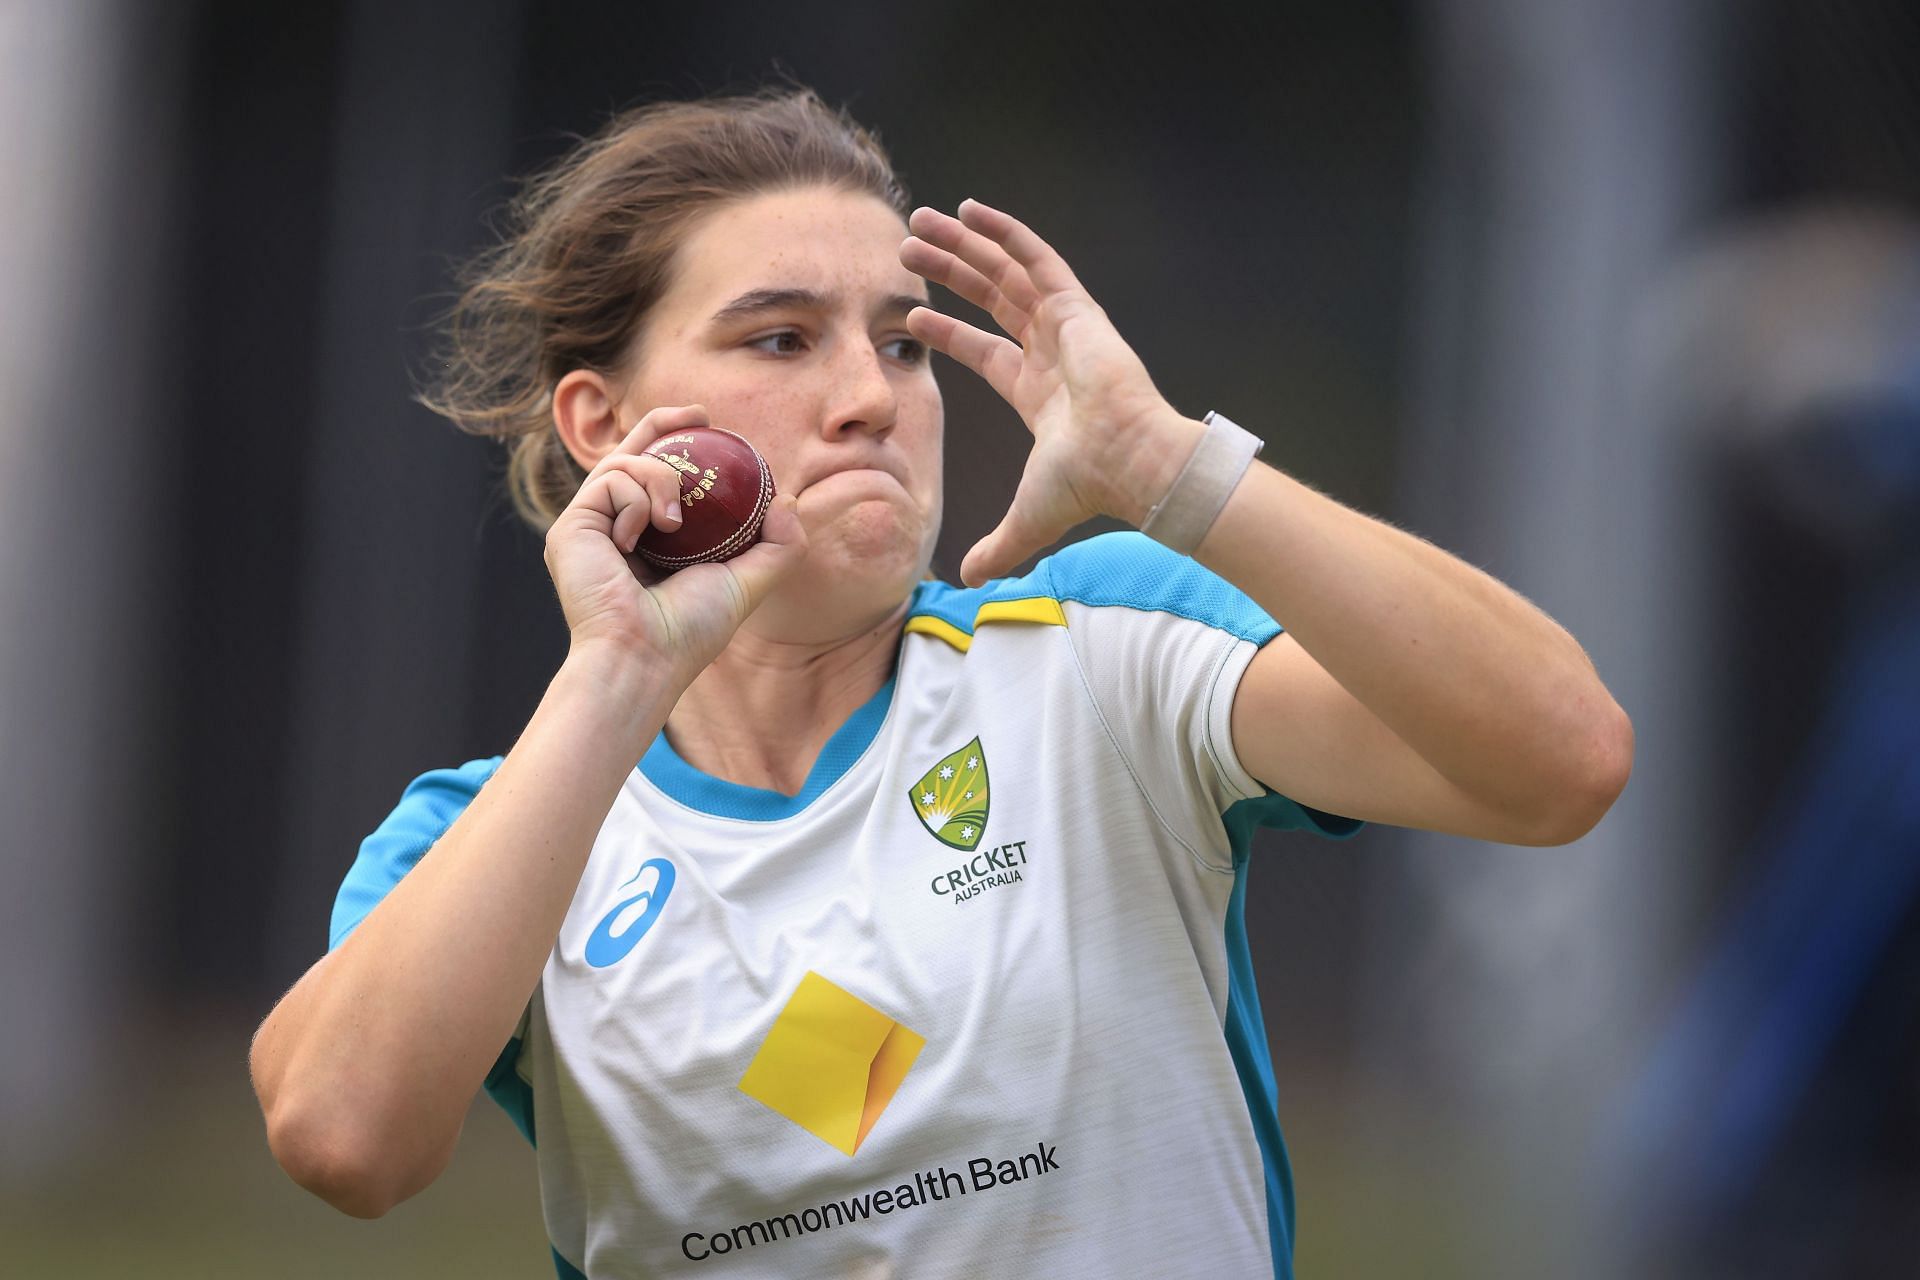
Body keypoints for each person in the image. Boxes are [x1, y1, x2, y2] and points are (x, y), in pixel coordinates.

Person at [249, 87, 1633, 1279]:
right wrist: (617, 675)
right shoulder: (498, 830)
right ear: (605, 426)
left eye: (901, 341)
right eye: (781, 339)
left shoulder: (1097, 649)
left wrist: (1173, 472)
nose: (870, 394)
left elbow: (1561, 759)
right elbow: (343, 1139)